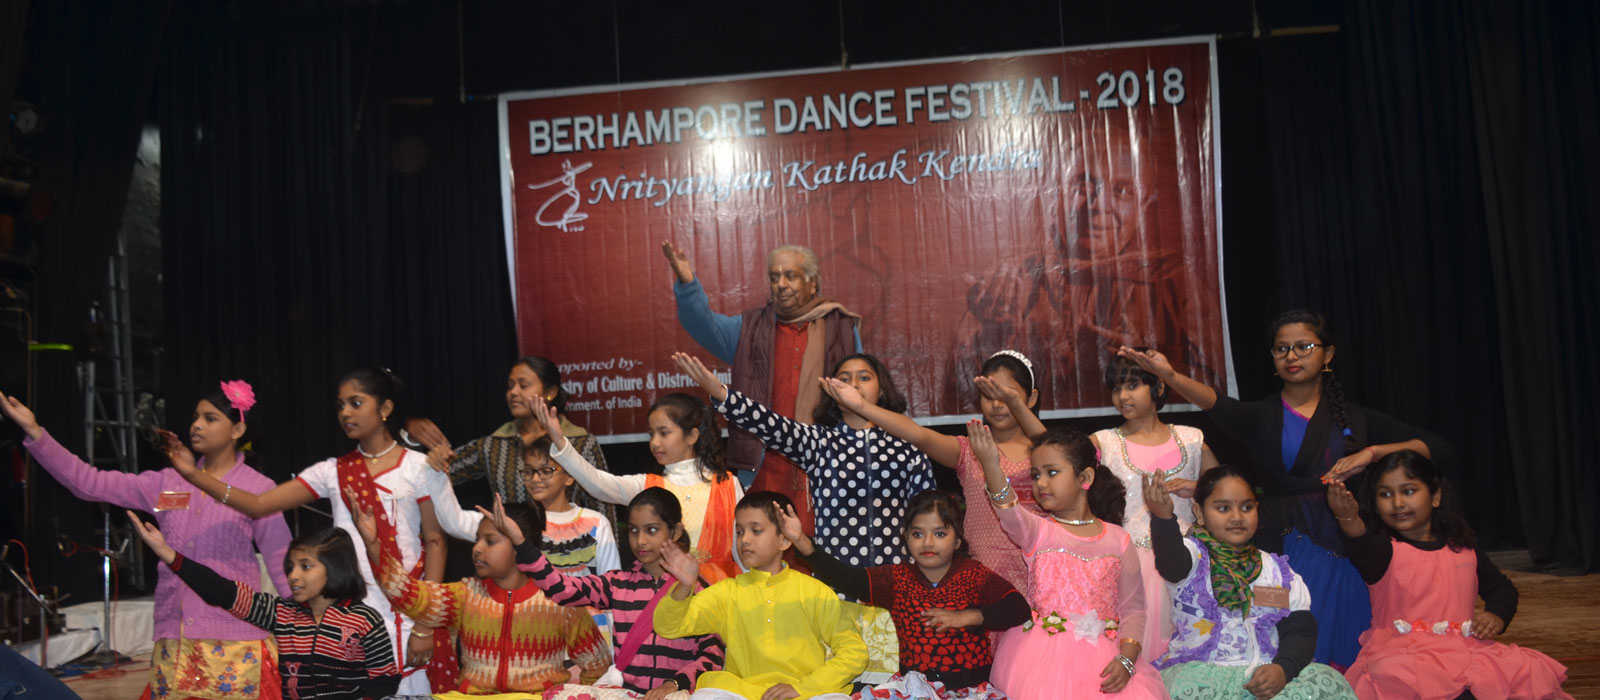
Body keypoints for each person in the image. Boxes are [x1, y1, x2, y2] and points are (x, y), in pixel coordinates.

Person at [1116, 310, 1452, 667]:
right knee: (1280, 641)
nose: (1292, 356)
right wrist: (1170, 376)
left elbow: (1438, 448)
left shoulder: (1354, 418)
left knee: (1345, 653)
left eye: (1304, 347)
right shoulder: (1263, 416)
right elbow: (1216, 403)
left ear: (1328, 354)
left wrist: (1371, 453)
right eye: (1282, 349)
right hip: (1277, 545)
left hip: (1345, 547)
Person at [177, 368, 482, 696]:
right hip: (351, 618)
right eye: (340, 406)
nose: (345, 413)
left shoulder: (417, 466)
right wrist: (194, 476)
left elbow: (435, 543)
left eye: (356, 403)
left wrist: (424, 624)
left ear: (385, 408)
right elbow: (259, 504)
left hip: (409, 612)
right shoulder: (332, 471)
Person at [0, 383, 293, 700]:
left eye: (210, 419)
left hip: (236, 643)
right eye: (195, 417)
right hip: (173, 641)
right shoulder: (167, 482)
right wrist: (36, 432)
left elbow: (282, 560)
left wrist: (306, 623)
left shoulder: (257, 489)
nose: (196, 425)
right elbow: (88, 482)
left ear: (237, 430)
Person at [954, 118, 1218, 411]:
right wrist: (990, 332)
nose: (1098, 205)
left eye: (1122, 191)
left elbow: (1213, 394)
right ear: (1056, 193)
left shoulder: (1175, 284)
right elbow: (963, 391)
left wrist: (1137, 362)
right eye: (1083, 186)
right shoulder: (1011, 283)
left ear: (1145, 201)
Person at [1329, 452, 1570, 699]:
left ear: (1435, 497)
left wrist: (1495, 616)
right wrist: (1348, 516)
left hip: (1466, 653)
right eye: (1385, 494)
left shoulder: (1464, 551)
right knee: (1397, 674)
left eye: (1408, 491)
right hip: (1403, 657)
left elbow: (1503, 589)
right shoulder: (1384, 552)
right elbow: (1359, 539)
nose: (1398, 503)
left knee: (1524, 671)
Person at [664, 240, 863, 531]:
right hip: (763, 466)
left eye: (790, 276)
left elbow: (859, 399)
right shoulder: (749, 329)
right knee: (763, 548)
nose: (781, 284)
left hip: (823, 467)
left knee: (818, 551)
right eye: (774, 277)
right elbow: (702, 324)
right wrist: (688, 283)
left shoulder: (841, 328)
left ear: (812, 283)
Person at [672, 351, 936, 567]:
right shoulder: (819, 442)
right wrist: (722, 394)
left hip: (897, 581)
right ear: (831, 390)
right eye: (844, 379)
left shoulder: (909, 447)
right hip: (836, 584)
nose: (853, 385)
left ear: (882, 389)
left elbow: (928, 518)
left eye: (864, 378)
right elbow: (770, 424)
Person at [817, 350, 1043, 599]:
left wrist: (1018, 407)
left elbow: (1059, 450)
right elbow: (918, 435)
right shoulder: (968, 451)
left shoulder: (1045, 452)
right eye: (989, 395)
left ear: (1031, 398)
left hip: (1041, 572)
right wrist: (862, 407)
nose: (998, 404)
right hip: (985, 580)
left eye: (1007, 396)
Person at [969, 423, 1168, 699]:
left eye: (1052, 472)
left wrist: (1127, 660)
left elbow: (1134, 610)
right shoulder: (1038, 532)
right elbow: (1009, 511)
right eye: (1035, 475)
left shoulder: (1118, 540)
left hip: (1104, 664)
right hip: (1041, 664)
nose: (1041, 483)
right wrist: (991, 466)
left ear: (1085, 477)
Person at [354, 494, 612, 695]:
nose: (476, 548)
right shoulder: (467, 595)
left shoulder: (560, 602)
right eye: (477, 539)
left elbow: (597, 665)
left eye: (490, 541)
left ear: (520, 547)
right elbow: (410, 596)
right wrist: (374, 545)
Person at [779, 491, 1029, 694]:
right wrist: (801, 540)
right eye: (918, 534)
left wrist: (968, 616)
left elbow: (1018, 608)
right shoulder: (896, 578)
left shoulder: (973, 573)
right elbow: (847, 578)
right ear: (906, 537)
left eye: (939, 534)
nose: (928, 542)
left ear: (957, 540)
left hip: (971, 689)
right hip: (913, 689)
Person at [128, 517, 401, 700]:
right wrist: (167, 553)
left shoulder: (364, 619)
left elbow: (385, 680)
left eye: (305, 566)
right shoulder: (282, 613)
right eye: (291, 567)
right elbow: (220, 590)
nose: (293, 576)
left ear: (336, 568)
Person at [1146, 467, 1355, 699]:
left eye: (1246, 507)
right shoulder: (1191, 558)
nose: (1237, 517)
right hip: (1199, 678)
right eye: (1223, 508)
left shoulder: (1276, 571)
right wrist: (1163, 519)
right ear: (1200, 513)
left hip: (1268, 674)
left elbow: (1300, 629)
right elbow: (1171, 563)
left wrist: (1283, 668)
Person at [652, 490, 867, 700]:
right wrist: (685, 586)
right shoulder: (728, 592)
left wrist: (803, 687)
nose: (744, 539)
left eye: (756, 531)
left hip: (803, 693)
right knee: (706, 696)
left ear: (784, 540)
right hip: (742, 692)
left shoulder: (814, 591)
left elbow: (854, 653)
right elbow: (669, 627)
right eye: (739, 532)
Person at [521, 487, 725, 700]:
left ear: (675, 532)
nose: (640, 540)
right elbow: (561, 589)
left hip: (679, 695)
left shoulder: (698, 588)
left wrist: (673, 685)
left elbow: (713, 654)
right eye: (633, 530)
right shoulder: (617, 584)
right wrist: (522, 546)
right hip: (626, 695)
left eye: (651, 530)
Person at [534, 394, 743, 583]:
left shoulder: (728, 485)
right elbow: (599, 484)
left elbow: (742, 548)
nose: (655, 442)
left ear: (692, 436)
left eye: (664, 433)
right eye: (652, 434)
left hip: (721, 598)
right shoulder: (648, 486)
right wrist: (560, 443)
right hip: (664, 599)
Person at [1091, 350, 1220, 656]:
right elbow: (1061, 466)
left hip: (1188, 564)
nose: (1123, 396)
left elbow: (1226, 495)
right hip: (1129, 567)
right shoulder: (1102, 442)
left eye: (1132, 385)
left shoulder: (1192, 439)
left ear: (1158, 387)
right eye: (1116, 388)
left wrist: (1197, 489)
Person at [407, 356, 617, 529]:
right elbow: (430, 475)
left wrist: (610, 562)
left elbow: (603, 506)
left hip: (569, 553)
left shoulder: (580, 443)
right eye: (510, 386)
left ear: (550, 393)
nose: (514, 392)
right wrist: (429, 453)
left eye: (523, 385)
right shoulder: (493, 445)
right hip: (511, 557)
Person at [520, 435, 620, 578]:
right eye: (529, 471)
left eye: (546, 471)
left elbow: (612, 581)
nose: (535, 479)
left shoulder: (596, 523)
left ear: (569, 476)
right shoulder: (521, 522)